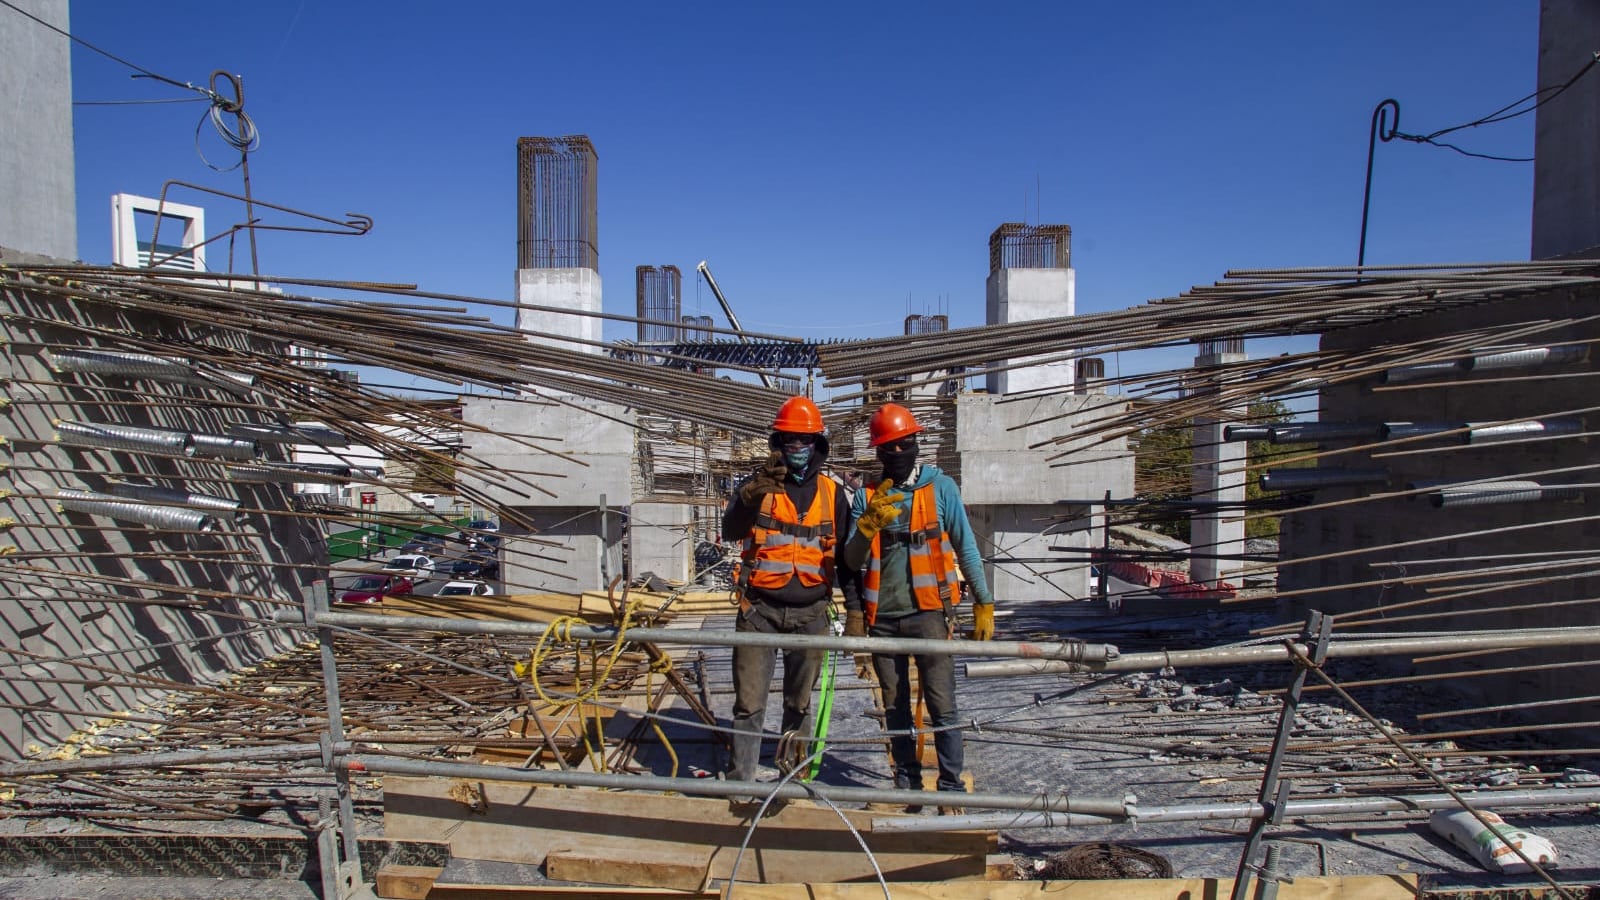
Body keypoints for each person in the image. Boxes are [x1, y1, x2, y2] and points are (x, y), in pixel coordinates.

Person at [842, 402, 995, 812]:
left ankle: (949, 785)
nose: (897, 452)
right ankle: (907, 781)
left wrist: (983, 600)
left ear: (915, 442)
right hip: (884, 619)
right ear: (878, 451)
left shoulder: (941, 488)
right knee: (894, 706)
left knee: (943, 704)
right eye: (888, 446)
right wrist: (867, 526)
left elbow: (966, 547)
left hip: (930, 614)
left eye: (904, 443)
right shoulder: (867, 497)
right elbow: (851, 561)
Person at [722, 396, 854, 786]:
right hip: (758, 610)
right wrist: (747, 501)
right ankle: (741, 782)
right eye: (790, 441)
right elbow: (731, 531)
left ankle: (793, 780)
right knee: (749, 705)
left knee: (799, 704)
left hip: (810, 615)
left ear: (818, 445)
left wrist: (858, 612)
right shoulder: (758, 486)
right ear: (778, 444)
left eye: (805, 441)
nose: (797, 449)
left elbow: (847, 559)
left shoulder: (833, 494)